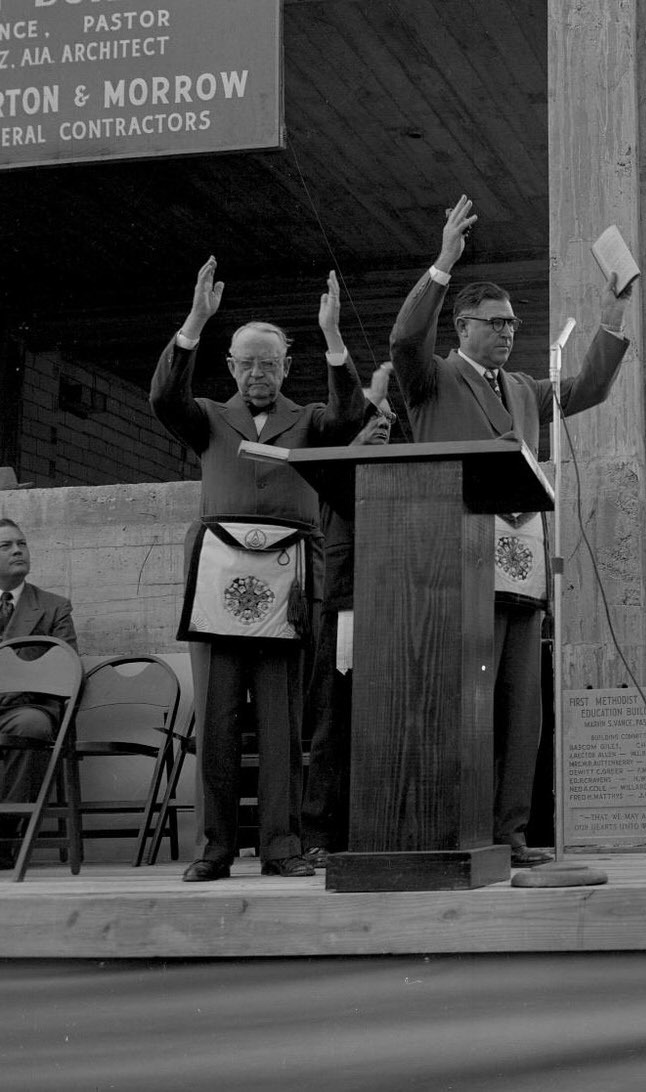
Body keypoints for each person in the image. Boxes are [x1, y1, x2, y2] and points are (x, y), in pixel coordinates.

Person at [389, 196, 630, 867]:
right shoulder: (430, 380)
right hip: (458, 558)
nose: (507, 332)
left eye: (513, 323)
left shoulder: (522, 388)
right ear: (462, 328)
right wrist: (442, 262)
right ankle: (456, 831)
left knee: (523, 708)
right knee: (464, 702)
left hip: (522, 564)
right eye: (494, 323)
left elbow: (587, 388)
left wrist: (615, 310)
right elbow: (405, 341)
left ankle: (513, 833)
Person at [151, 259, 367, 882]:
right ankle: (214, 849)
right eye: (246, 362)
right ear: (230, 367)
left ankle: (281, 846)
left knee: (281, 722)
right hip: (220, 585)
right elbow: (163, 396)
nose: (256, 373)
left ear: (285, 367)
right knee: (217, 720)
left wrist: (332, 335)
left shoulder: (311, 421)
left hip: (289, 585)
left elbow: (351, 413)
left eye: (268, 363)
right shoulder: (208, 418)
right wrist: (196, 319)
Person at [300, 364, 396, 868]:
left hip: (397, 608)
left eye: (384, 417)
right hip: (346, 608)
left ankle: (381, 825)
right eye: (369, 417)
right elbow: (334, 475)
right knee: (336, 719)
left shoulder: (404, 473)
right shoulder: (334, 473)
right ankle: (320, 832)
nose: (380, 423)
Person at [0, 519, 78, 869]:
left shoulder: (53, 606)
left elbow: (66, 670)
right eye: (5, 546)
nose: (17, 550)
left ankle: (2, 838)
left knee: (30, 726)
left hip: (28, 707)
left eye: (22, 543)